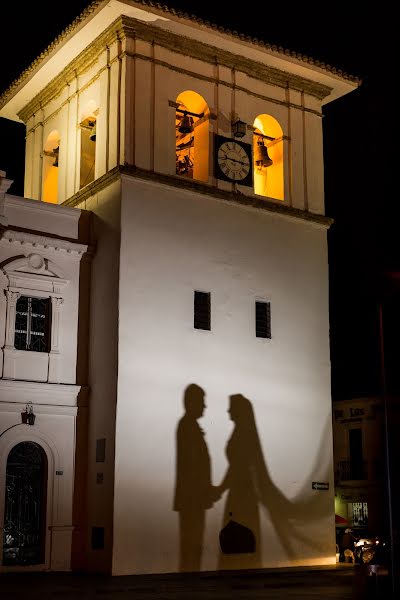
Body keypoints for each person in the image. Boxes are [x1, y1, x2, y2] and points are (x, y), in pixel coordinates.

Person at [173, 384, 217, 572]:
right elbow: (193, 467)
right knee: (192, 546)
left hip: (193, 498)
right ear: (192, 403)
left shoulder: (189, 425)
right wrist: (209, 490)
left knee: (192, 546)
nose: (204, 406)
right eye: (201, 402)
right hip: (193, 499)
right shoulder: (188, 426)